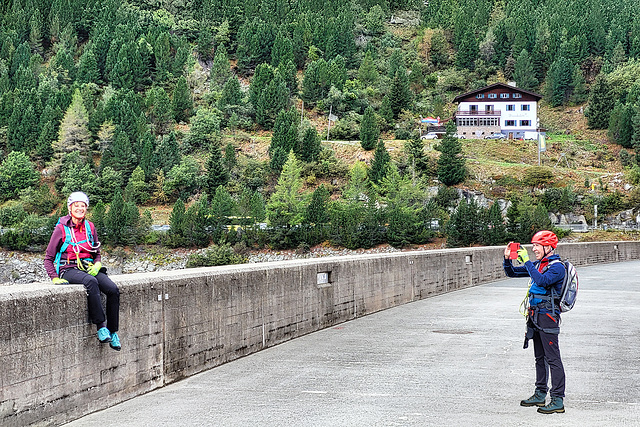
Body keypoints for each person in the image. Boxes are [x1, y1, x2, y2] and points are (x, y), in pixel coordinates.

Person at [44, 191, 121, 351]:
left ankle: (113, 332)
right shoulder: (61, 229)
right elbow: (48, 257)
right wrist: (54, 277)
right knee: (91, 282)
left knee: (113, 290)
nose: (80, 208)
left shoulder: (90, 227)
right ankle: (101, 326)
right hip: (68, 268)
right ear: (70, 208)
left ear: (86, 208)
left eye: (83, 206)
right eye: (76, 206)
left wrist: (97, 265)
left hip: (87, 266)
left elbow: (96, 252)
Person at [503, 230, 565, 414]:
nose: (534, 248)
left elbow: (542, 281)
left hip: (549, 317)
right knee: (540, 357)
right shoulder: (538, 264)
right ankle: (540, 394)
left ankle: (558, 399)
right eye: (534, 245)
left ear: (548, 247)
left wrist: (528, 261)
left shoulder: (557, 267)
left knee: (553, 358)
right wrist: (508, 259)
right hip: (535, 315)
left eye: (537, 245)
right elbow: (512, 273)